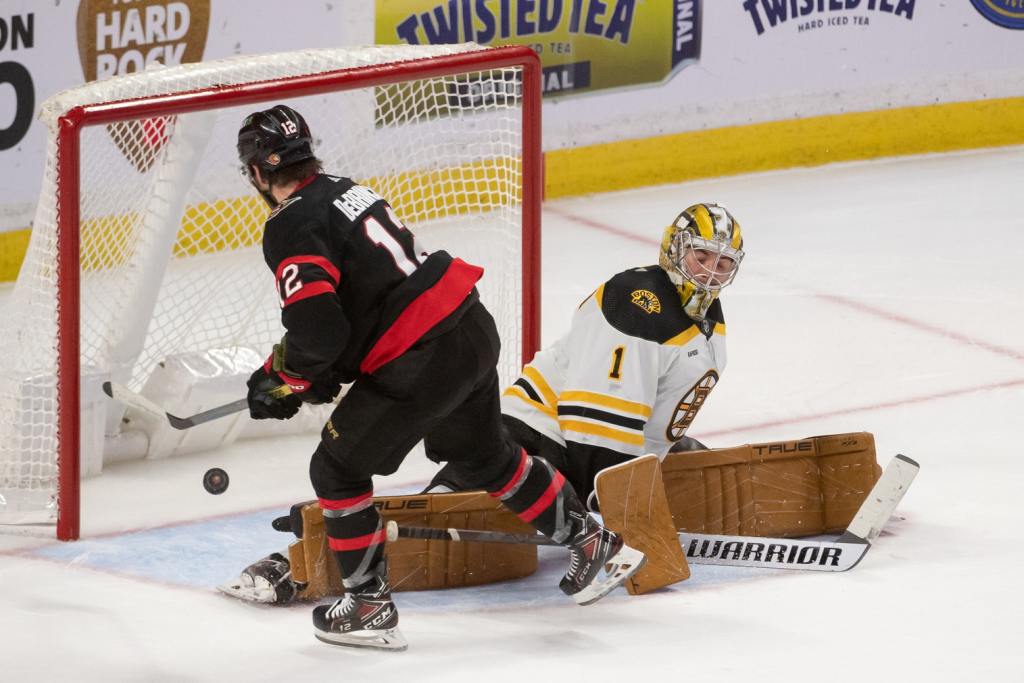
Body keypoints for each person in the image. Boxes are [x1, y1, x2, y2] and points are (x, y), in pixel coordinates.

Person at [236, 105, 644, 651]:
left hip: (421, 355)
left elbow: (318, 327)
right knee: (483, 455)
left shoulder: (289, 223)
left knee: (335, 469)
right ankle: (591, 539)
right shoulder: (345, 189)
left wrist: (288, 376)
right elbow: (361, 302)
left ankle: (367, 604)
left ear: (258, 173)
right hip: (469, 328)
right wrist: (321, 370)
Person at [427, 203, 745, 507]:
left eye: (723, 264)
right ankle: (446, 492)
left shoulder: (710, 325)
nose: (709, 273)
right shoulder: (638, 302)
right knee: (449, 518)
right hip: (537, 437)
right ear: (675, 249)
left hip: (584, 452)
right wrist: (618, 498)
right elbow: (597, 425)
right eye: (701, 256)